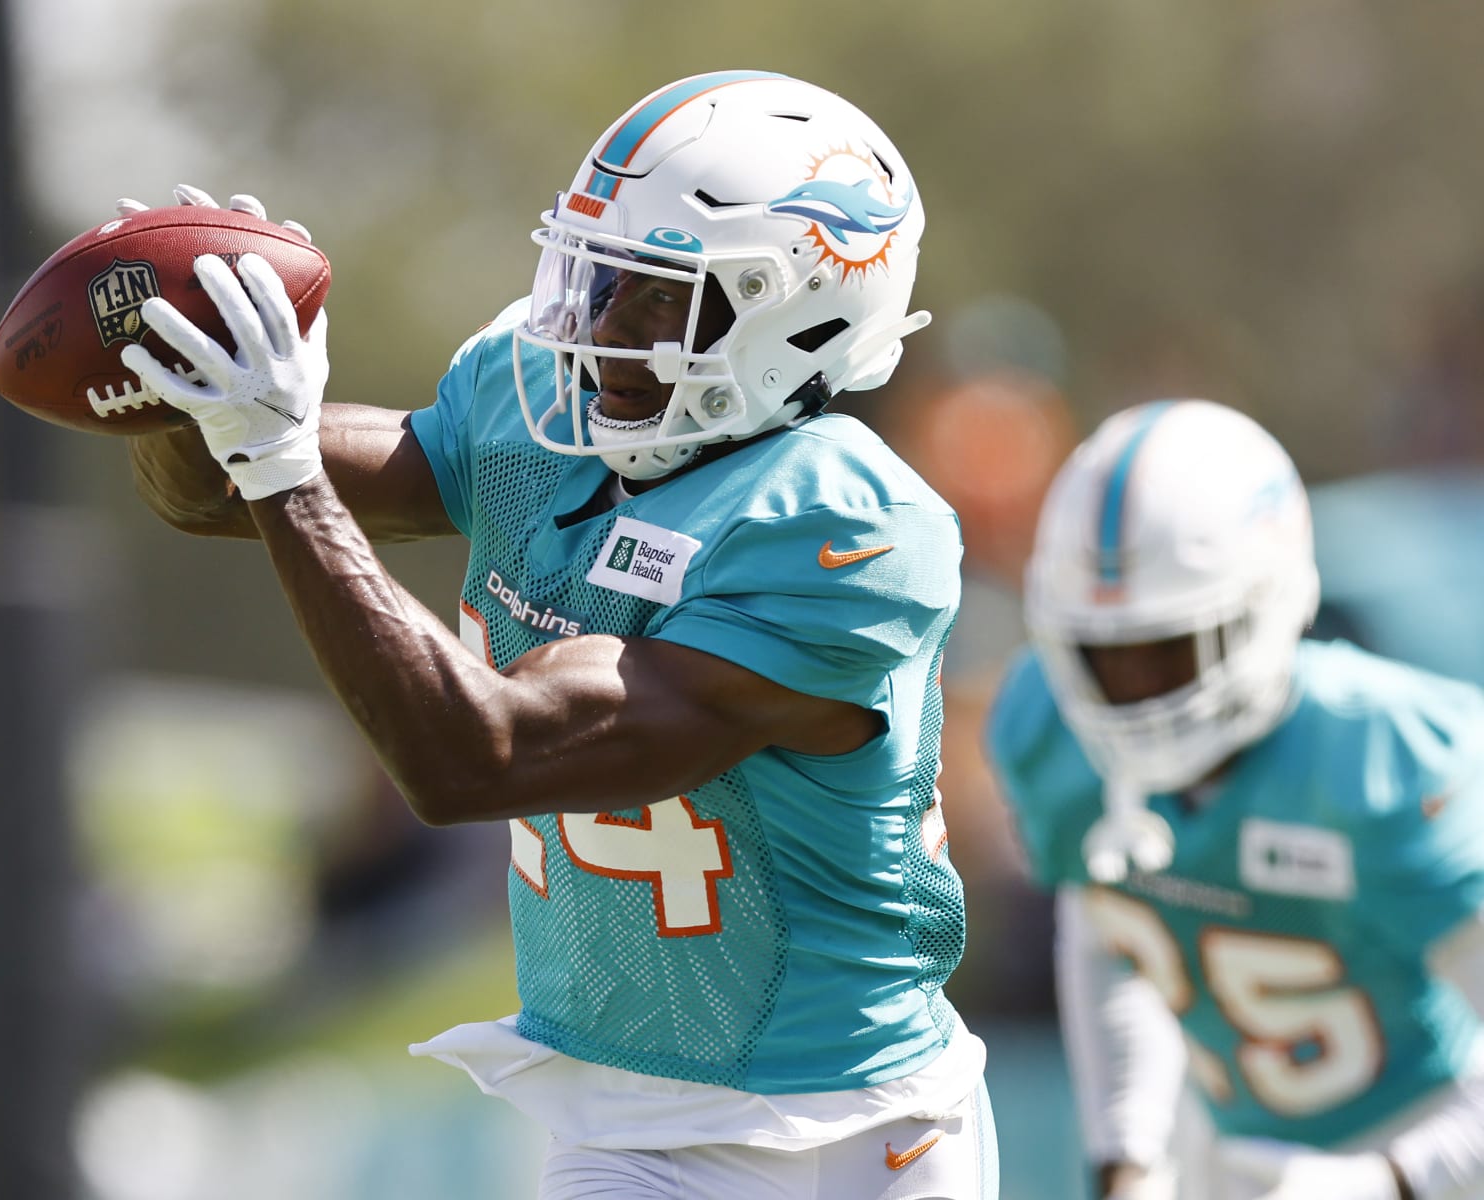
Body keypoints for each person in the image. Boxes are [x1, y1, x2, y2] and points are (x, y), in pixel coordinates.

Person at [114, 70, 997, 1199]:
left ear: (801, 316)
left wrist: (278, 464)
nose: (604, 329)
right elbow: (211, 490)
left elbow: (476, 756)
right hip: (611, 1116)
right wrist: (187, 375)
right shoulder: (539, 415)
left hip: (837, 1131)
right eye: (601, 278)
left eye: (659, 298)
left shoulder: (839, 528)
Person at [984, 399, 1484, 1200]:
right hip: (1226, 1148)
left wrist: (1389, 1180)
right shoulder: (1047, 728)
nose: (1134, 694)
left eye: (1168, 650)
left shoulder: (1386, 762)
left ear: (1267, 605)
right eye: (1102, 656)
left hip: (1434, 1137)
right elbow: (1113, 930)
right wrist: (1127, 1152)